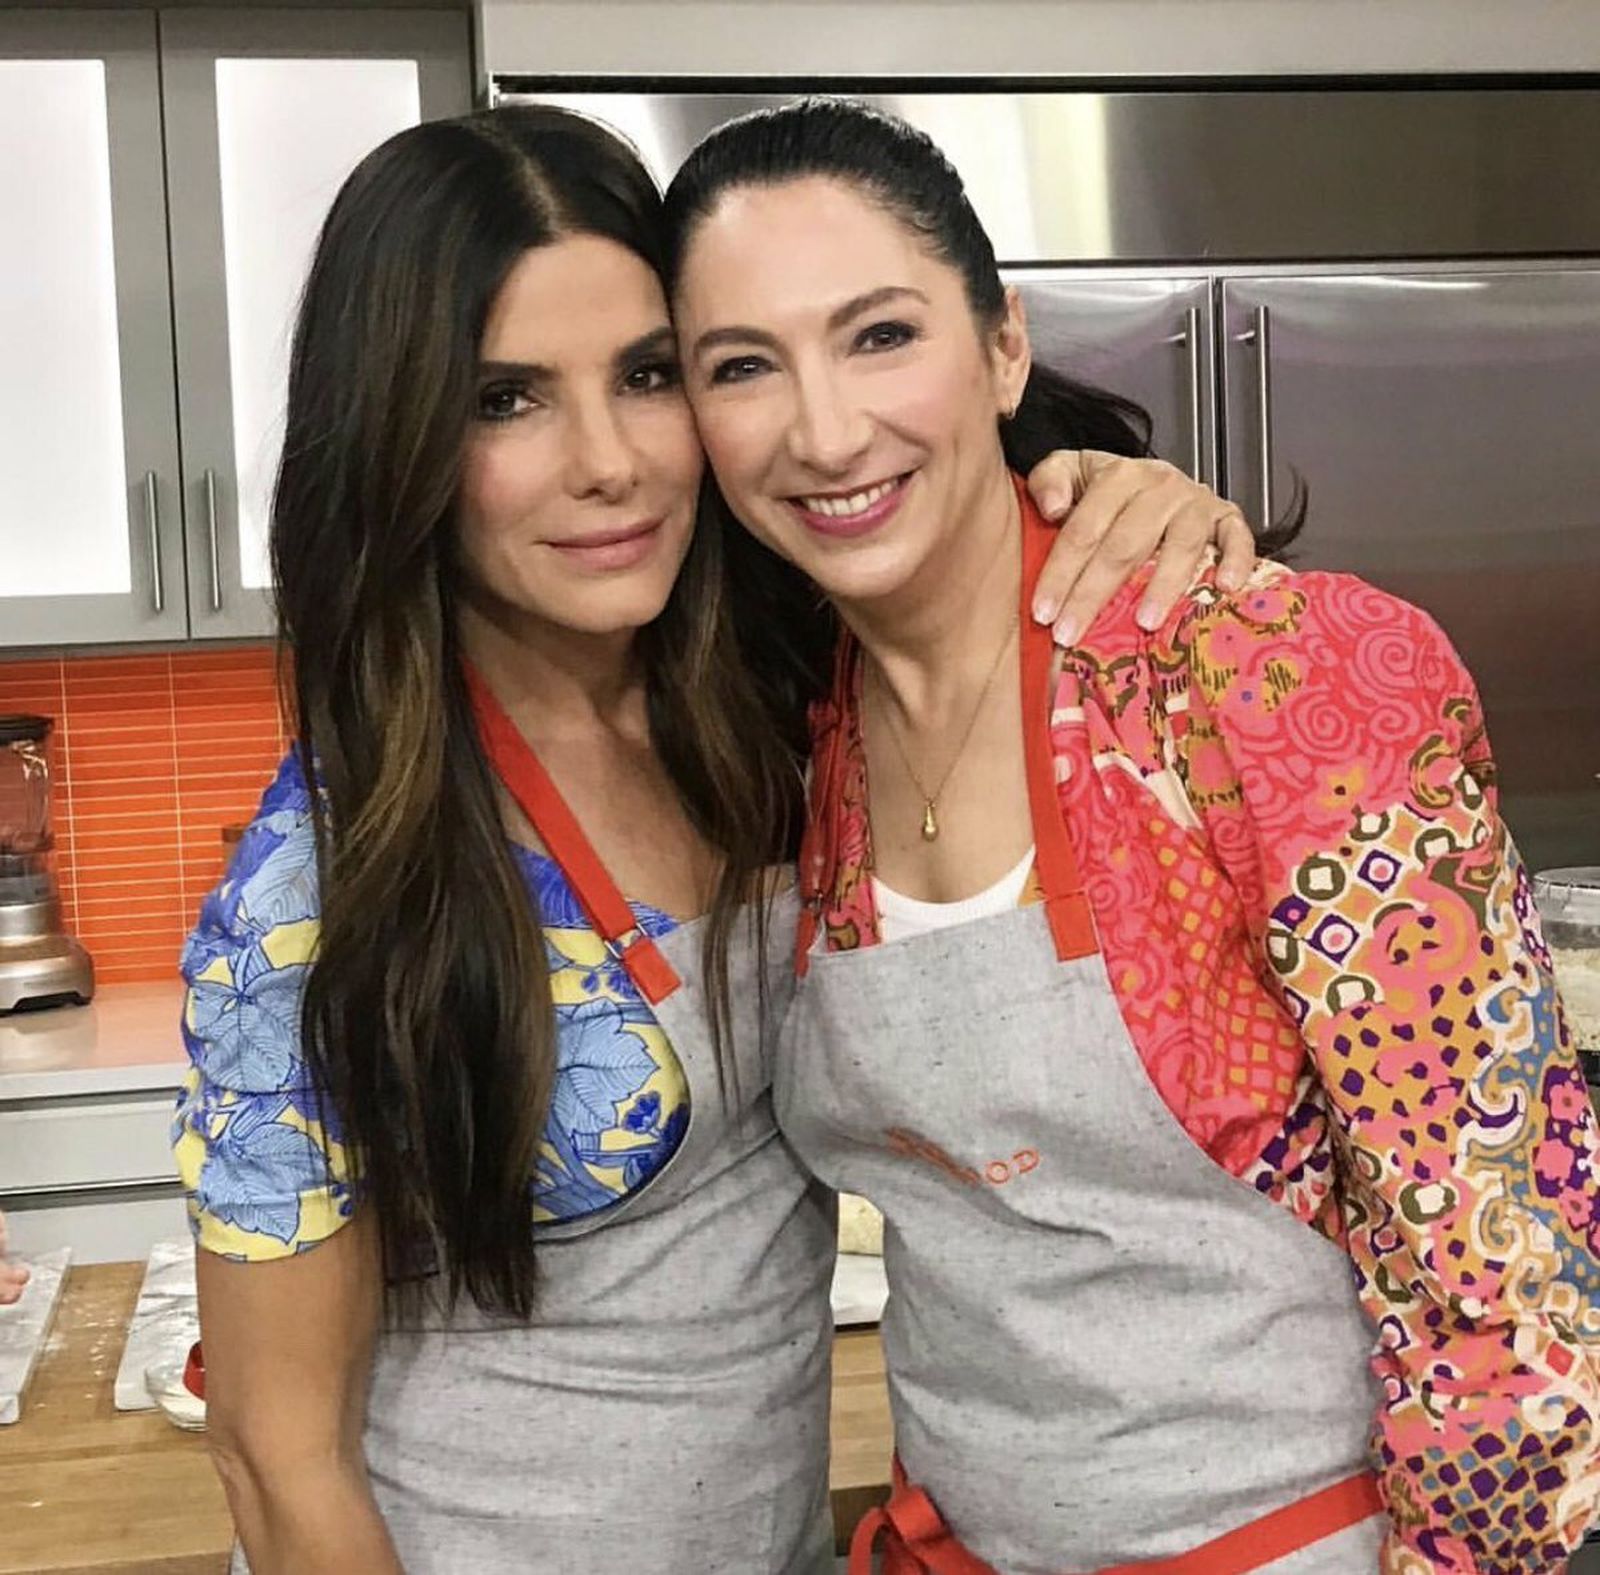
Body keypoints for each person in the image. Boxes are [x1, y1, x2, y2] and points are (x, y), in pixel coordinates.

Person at [171, 105, 1253, 1575]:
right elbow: (275, 1456)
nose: (609, 462)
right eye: (505, 401)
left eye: (648, 375)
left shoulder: (787, 694)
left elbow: (971, 495)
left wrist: (1142, 494)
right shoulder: (329, 885)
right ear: (401, 441)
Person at [663, 97, 1600, 1575]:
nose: (824, 427)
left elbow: (1500, 1261)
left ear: (1004, 346)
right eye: (741, 367)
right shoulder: (787, 729)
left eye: (881, 334)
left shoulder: (1271, 677)